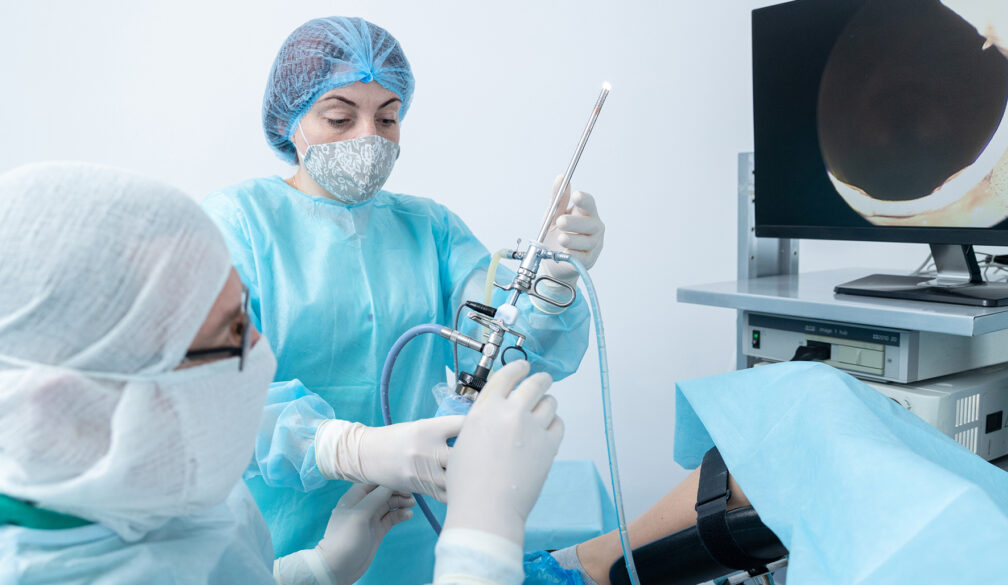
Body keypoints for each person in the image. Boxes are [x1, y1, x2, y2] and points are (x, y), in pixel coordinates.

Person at [0, 161, 566, 585]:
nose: (261, 354)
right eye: (226, 335)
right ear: (65, 408)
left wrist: (316, 571)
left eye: (246, 315)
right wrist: (482, 539)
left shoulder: (166, 491)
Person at [200, 15, 606, 582]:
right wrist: (347, 448)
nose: (368, 136)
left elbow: (508, 355)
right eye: (340, 117)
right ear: (291, 120)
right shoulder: (236, 226)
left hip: (414, 531)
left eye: (387, 117)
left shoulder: (431, 230)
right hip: (275, 543)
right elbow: (211, 390)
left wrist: (554, 282)